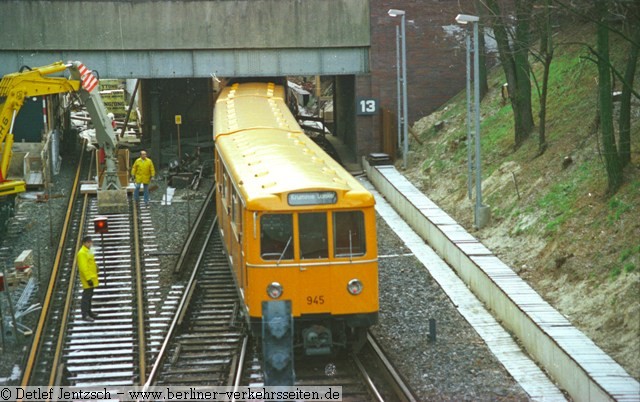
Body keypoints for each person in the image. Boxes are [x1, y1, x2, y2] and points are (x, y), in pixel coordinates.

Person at [77, 236, 99, 322]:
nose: (91, 244)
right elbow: (83, 268)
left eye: (91, 242)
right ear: (84, 243)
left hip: (92, 277)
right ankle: (84, 315)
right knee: (86, 297)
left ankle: (89, 312)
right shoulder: (82, 253)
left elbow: (92, 261)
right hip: (88, 279)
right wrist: (88, 279)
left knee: (89, 296)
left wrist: (96, 267)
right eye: (89, 242)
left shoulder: (88, 251)